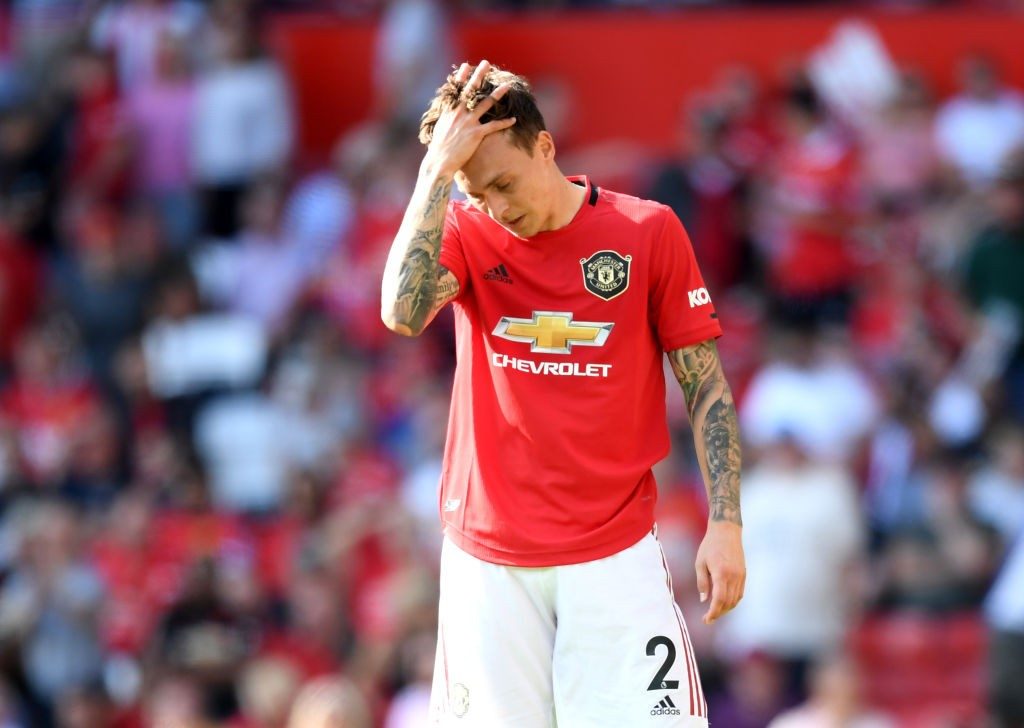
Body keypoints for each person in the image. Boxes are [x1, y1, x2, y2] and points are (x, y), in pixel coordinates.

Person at [380, 60, 745, 727]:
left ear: (545, 147)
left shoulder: (648, 231)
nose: (496, 206)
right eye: (475, 191)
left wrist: (725, 522)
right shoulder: (464, 231)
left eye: (503, 183)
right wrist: (435, 173)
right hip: (489, 561)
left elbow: (707, 388)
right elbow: (401, 314)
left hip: (613, 553)